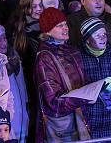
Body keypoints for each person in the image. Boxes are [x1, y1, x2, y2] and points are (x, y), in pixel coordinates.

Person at [33, 8, 89, 143]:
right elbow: (53, 101)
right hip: (63, 127)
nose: (65, 28)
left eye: (65, 24)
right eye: (59, 26)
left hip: (79, 117)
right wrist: (83, 97)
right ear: (47, 31)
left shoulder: (71, 50)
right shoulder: (44, 58)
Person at [78, 17, 111, 138]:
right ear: (87, 39)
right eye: (97, 35)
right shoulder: (78, 58)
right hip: (89, 124)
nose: (103, 38)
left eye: (104, 34)